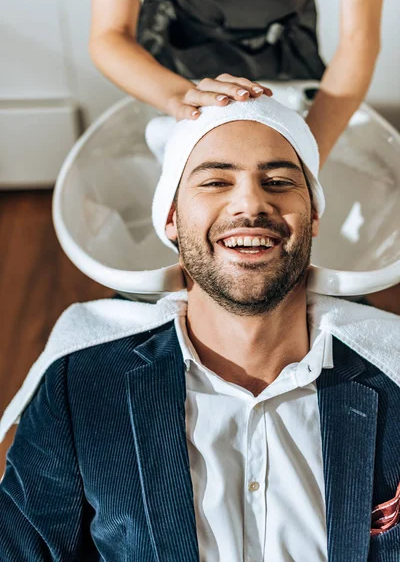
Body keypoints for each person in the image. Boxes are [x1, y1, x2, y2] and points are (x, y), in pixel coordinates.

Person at [0, 96, 399, 561]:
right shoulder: (82, 385)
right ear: (170, 218)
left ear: (312, 218)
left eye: (278, 181)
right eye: (215, 180)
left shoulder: (392, 378)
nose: (251, 201)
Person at [89, 0, 387, 166]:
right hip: (175, 61)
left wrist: (308, 157)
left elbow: (359, 41)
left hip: (283, 52)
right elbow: (108, 36)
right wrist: (178, 95)